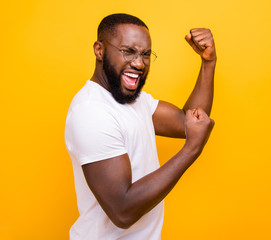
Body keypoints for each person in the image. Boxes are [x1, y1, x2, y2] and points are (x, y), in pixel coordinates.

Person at [65, 13, 216, 240]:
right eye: (128, 51)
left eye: (145, 54)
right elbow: (122, 211)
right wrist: (192, 149)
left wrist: (208, 62)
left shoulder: (134, 100)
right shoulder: (91, 111)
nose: (139, 63)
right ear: (99, 49)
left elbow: (190, 121)